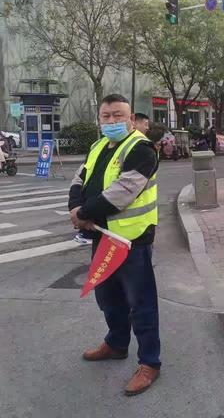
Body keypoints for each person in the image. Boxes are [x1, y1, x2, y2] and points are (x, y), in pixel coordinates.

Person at [68, 94, 160, 396]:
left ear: (131, 119)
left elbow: (123, 192)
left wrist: (82, 213)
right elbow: (79, 178)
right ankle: (116, 344)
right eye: (106, 116)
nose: (111, 121)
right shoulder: (97, 146)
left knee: (141, 304)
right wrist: (74, 206)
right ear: (99, 119)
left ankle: (149, 363)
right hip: (102, 236)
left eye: (118, 116)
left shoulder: (142, 149)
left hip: (132, 241)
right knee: (107, 298)